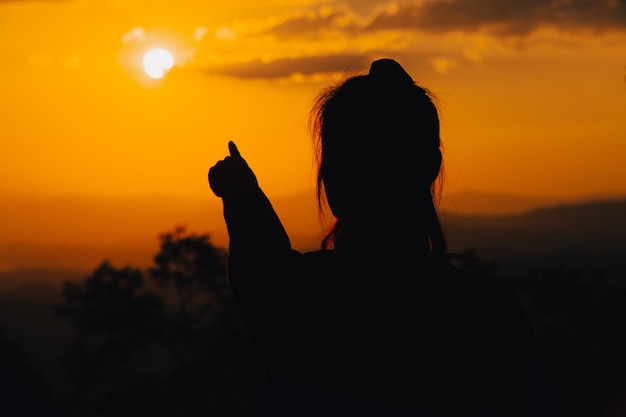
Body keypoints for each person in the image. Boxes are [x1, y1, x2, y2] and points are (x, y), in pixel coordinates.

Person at [208, 58, 551, 416]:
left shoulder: (300, 297)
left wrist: (240, 193)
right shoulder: (487, 313)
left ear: (333, 177)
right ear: (431, 167)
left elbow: (260, 263)